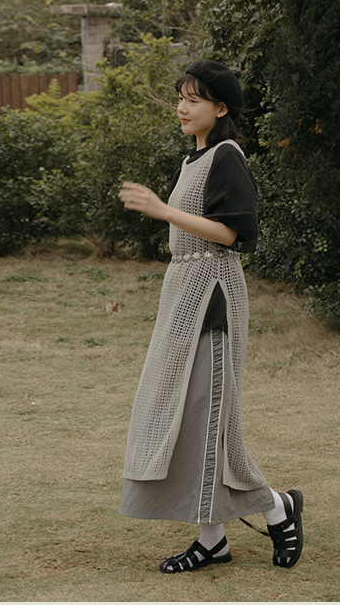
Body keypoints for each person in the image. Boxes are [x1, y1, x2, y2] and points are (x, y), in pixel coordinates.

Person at [117, 58, 304, 573]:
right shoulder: (191, 160)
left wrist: (163, 210)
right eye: (180, 97)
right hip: (184, 293)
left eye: (194, 99)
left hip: (212, 300)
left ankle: (277, 507)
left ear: (221, 109)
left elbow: (232, 234)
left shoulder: (227, 156)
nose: (182, 107)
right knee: (185, 416)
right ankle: (213, 540)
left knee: (210, 416)